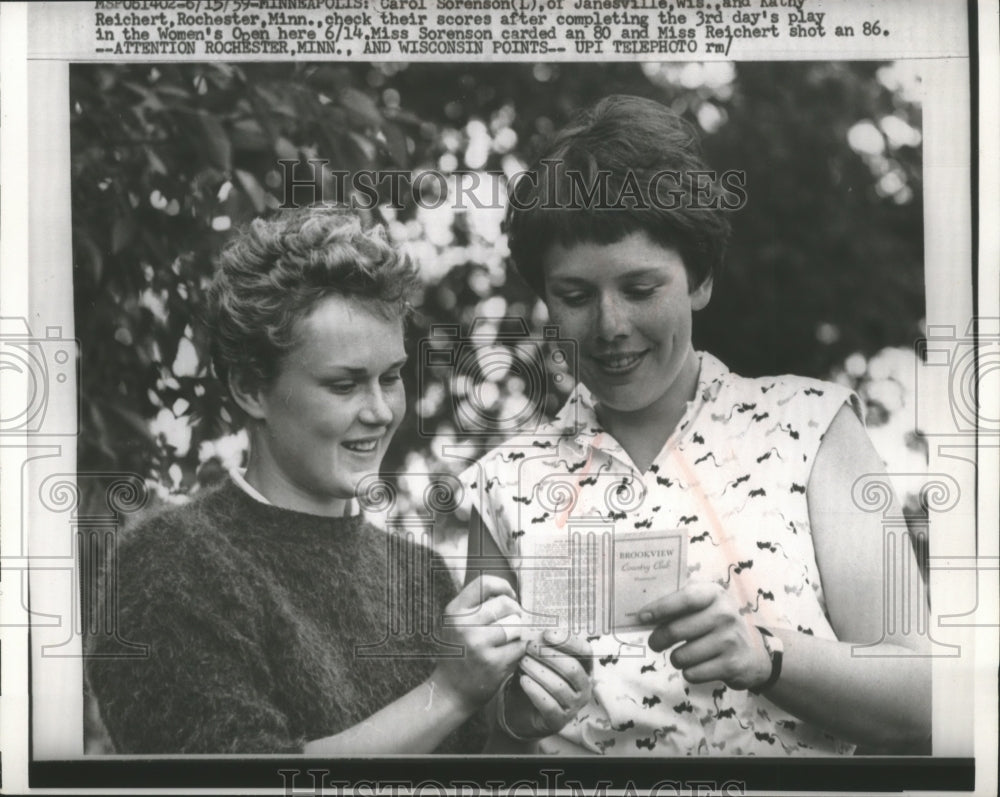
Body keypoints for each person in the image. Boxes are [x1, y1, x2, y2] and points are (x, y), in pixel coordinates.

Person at [463, 95, 931, 756]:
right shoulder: (502, 481)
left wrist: (766, 654)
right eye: (574, 296)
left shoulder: (812, 427)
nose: (610, 326)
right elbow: (483, 739)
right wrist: (518, 720)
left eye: (642, 287)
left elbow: (930, 699)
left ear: (701, 280)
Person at [85, 207, 589, 754]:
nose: (379, 411)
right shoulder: (169, 564)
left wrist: (514, 726)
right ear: (252, 388)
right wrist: (446, 695)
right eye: (344, 385)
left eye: (390, 378)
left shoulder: (420, 576)